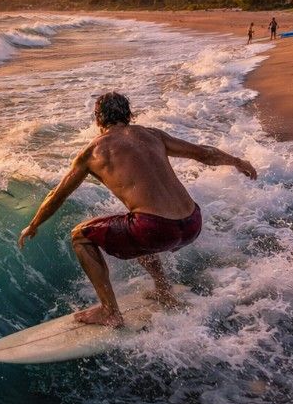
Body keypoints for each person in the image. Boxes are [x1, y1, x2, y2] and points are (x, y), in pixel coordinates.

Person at [17, 92, 257, 325]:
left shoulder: (92, 152)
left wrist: (34, 224)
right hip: (192, 223)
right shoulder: (153, 135)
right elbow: (203, 153)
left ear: (98, 119)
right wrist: (238, 161)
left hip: (155, 230)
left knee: (80, 236)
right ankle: (164, 291)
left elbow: (57, 196)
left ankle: (110, 312)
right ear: (129, 114)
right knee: (133, 227)